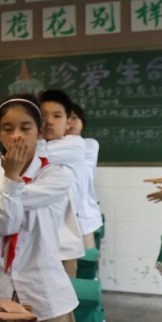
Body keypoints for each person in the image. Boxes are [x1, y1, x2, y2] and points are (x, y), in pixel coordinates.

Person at [0, 95, 79, 322]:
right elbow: (5, 223)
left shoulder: (56, 176)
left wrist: (8, 184)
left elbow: (7, 220)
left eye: (25, 128)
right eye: (7, 128)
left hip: (43, 293)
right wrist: (9, 180)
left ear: (40, 132)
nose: (16, 136)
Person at [38, 89, 87, 277]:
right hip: (35, 245)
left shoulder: (74, 144)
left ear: (69, 122)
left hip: (63, 246)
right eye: (43, 115)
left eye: (57, 116)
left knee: (63, 305)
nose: (49, 121)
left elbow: (37, 156)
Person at [67, 102, 103, 248]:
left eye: (75, 117)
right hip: (60, 219)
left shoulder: (89, 144)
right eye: (67, 118)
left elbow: (83, 174)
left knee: (85, 264)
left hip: (85, 219)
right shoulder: (49, 146)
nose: (71, 122)